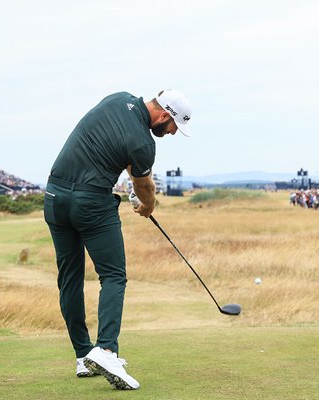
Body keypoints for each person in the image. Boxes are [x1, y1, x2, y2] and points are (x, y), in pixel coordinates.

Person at [44, 89, 193, 390]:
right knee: (113, 276)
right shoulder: (143, 143)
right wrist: (148, 206)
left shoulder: (116, 99)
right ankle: (107, 350)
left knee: (70, 278)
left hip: (54, 195)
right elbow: (144, 186)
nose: (173, 133)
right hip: (91, 203)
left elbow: (112, 145)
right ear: (164, 115)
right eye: (174, 126)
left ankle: (83, 354)